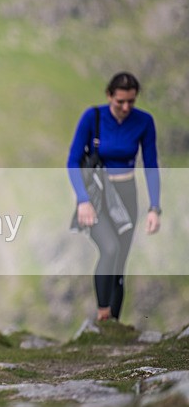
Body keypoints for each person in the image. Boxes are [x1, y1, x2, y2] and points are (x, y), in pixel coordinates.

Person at [67, 72, 161, 322]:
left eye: (131, 101)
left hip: (127, 194)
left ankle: (115, 326)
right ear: (109, 96)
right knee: (110, 249)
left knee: (120, 261)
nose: (126, 107)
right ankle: (103, 314)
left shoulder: (144, 122)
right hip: (96, 197)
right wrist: (82, 200)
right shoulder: (93, 118)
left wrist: (154, 207)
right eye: (120, 101)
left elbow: (151, 165)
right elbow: (73, 161)